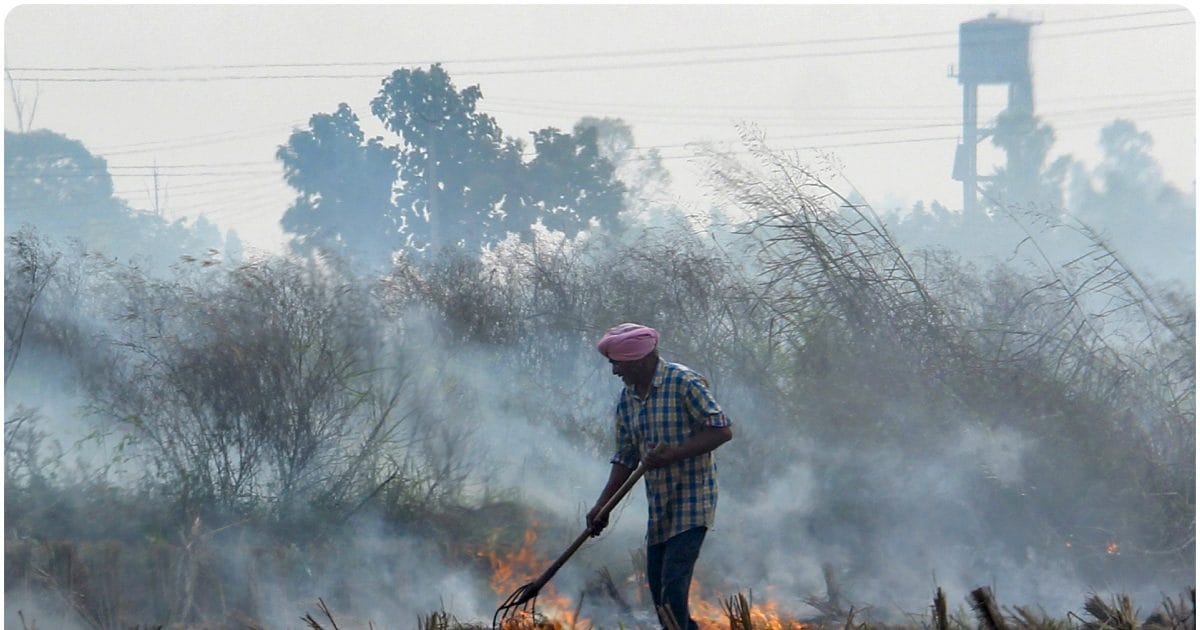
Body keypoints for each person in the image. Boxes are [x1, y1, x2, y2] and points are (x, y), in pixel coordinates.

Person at [586, 323, 733, 630]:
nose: (614, 371)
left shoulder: (684, 382)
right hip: (660, 508)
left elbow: (721, 430)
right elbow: (626, 456)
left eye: (617, 363)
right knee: (659, 597)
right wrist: (603, 506)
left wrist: (672, 454)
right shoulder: (627, 400)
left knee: (672, 593)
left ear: (639, 360)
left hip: (692, 503)